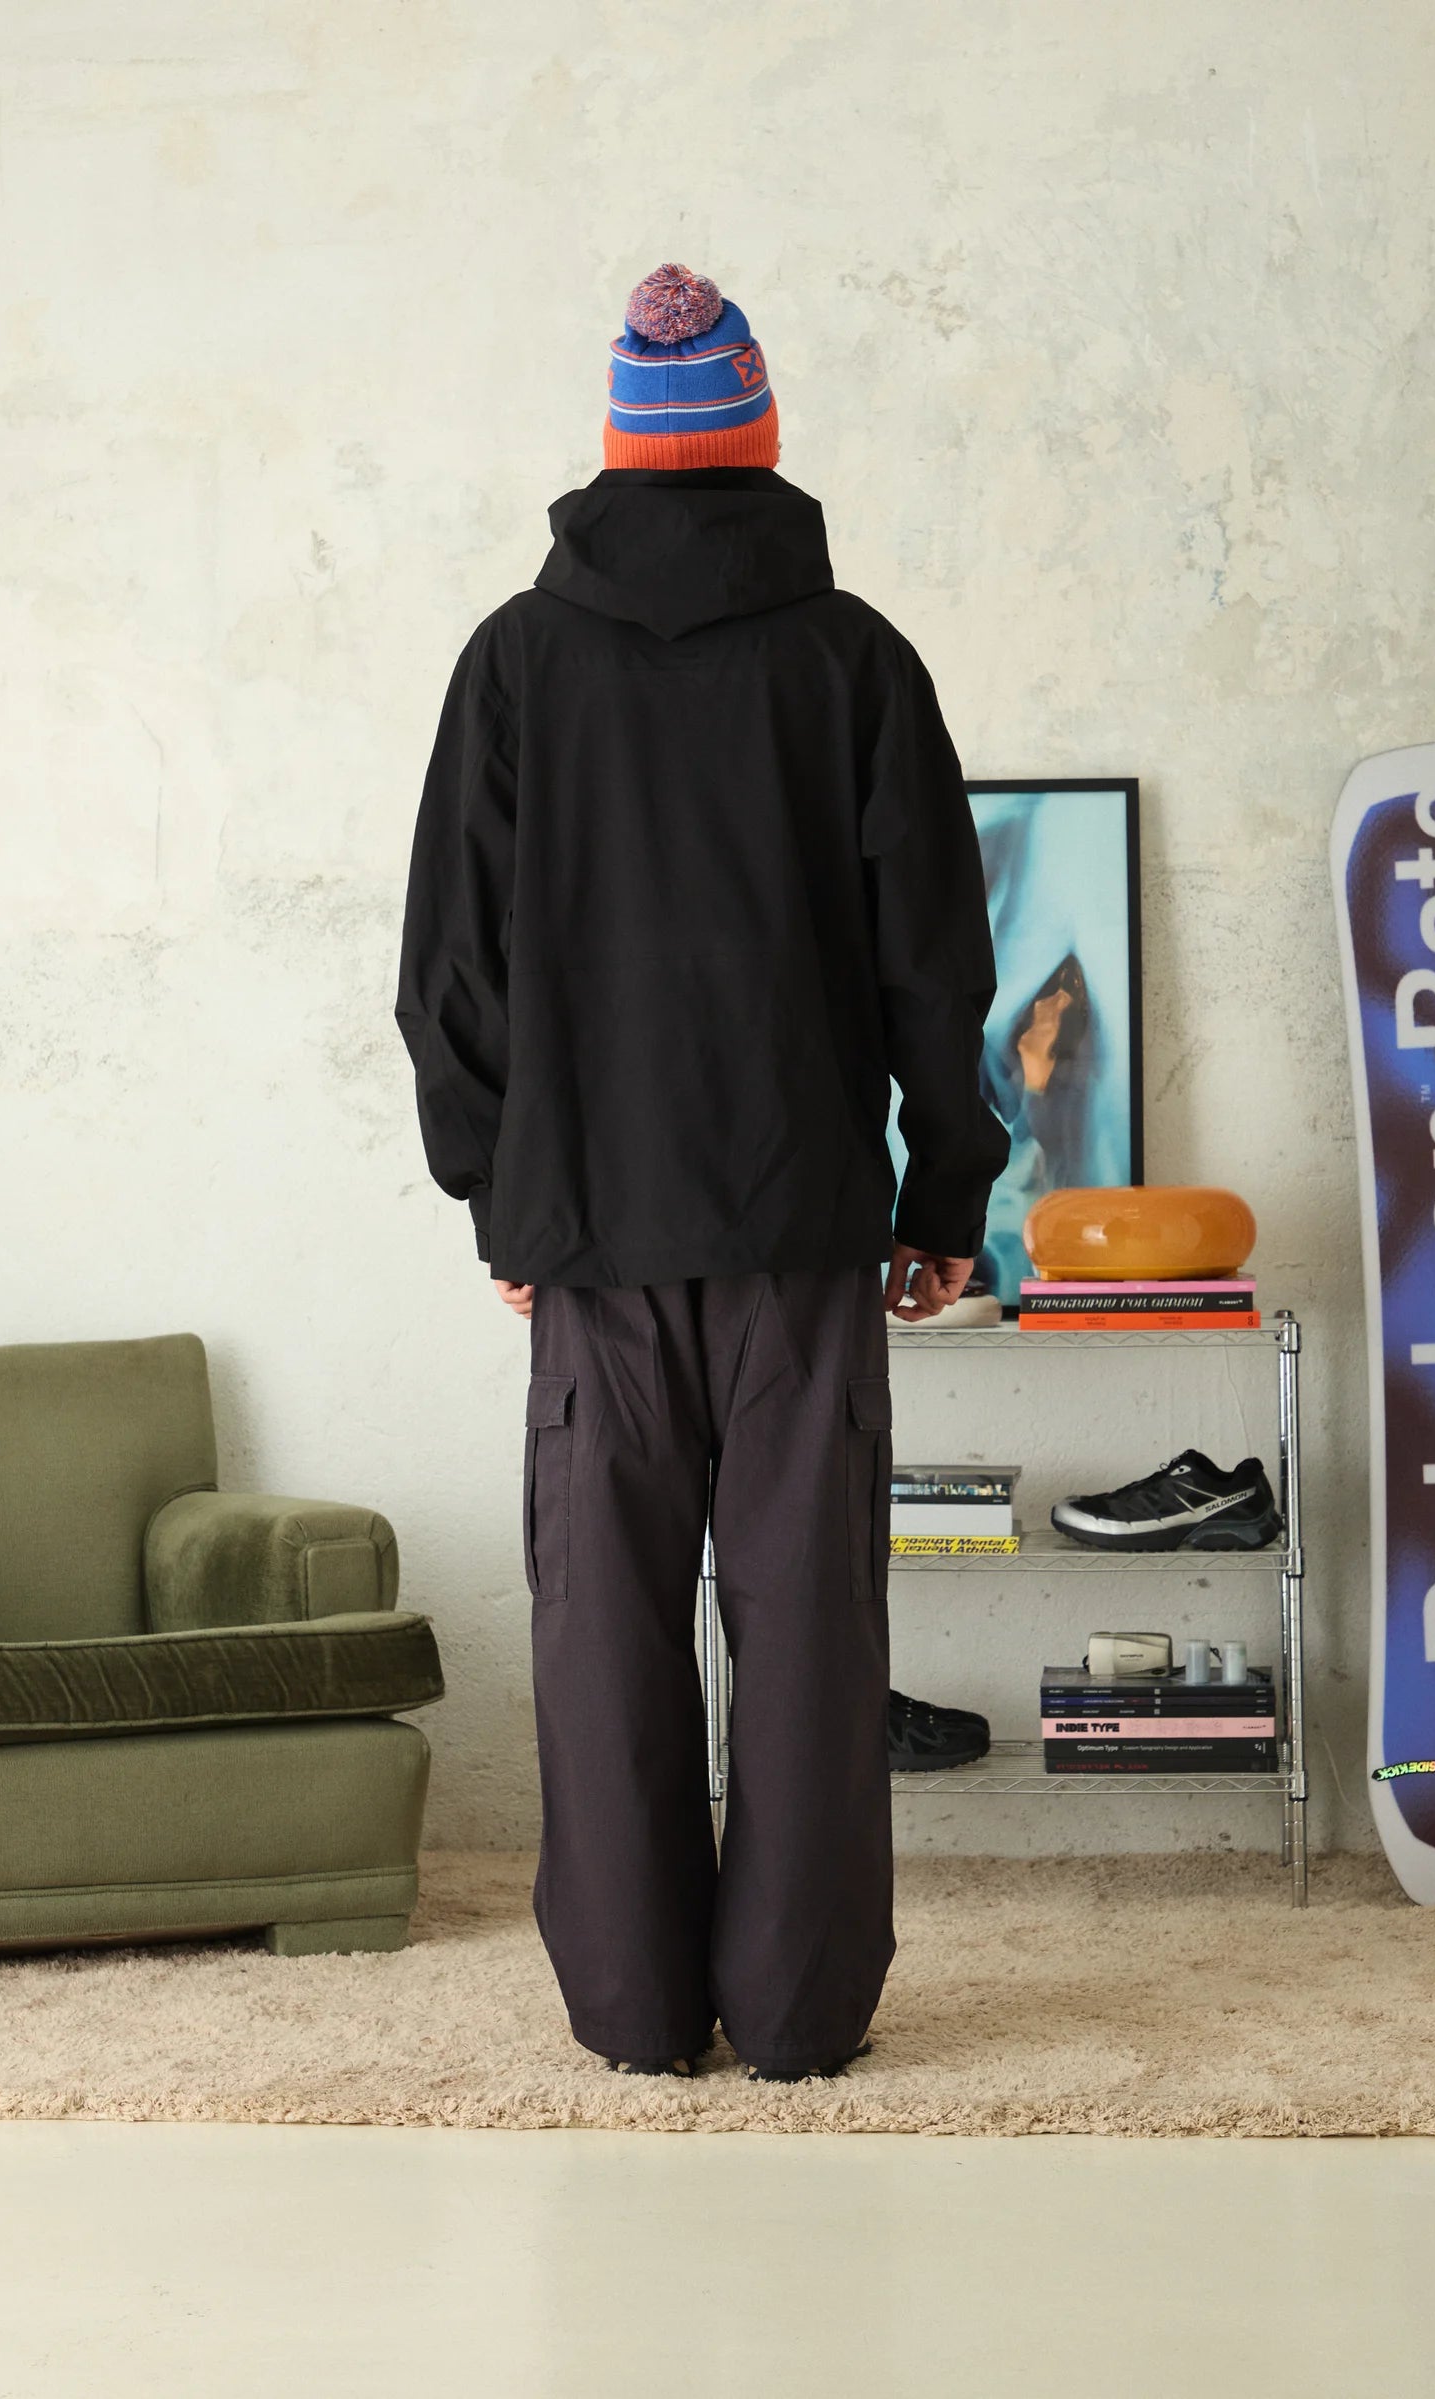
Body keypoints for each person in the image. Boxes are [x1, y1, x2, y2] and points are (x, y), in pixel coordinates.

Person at [396, 263, 1009, 2083]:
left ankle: (639, 2012)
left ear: (617, 447)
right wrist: (945, 1201)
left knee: (601, 1634)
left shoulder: (516, 661)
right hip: (803, 1238)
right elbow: (935, 967)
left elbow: (448, 973)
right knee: (810, 1632)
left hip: (590, 1240)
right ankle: (804, 2014)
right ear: (760, 435)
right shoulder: (854, 659)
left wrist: (496, 1195)